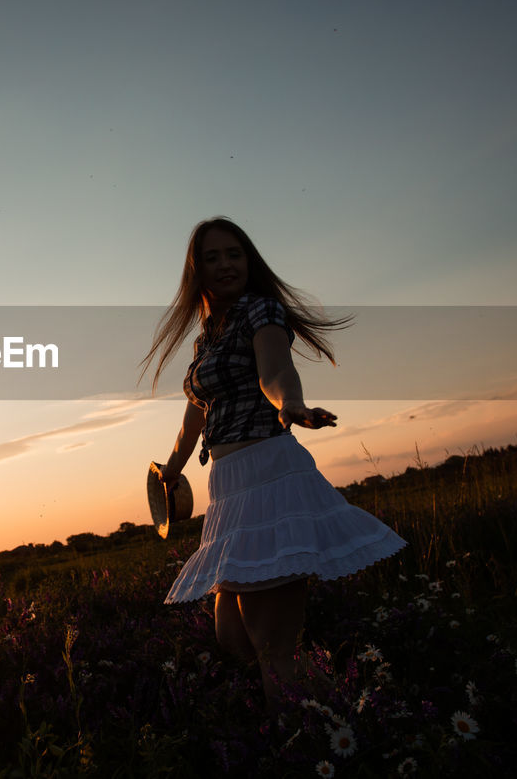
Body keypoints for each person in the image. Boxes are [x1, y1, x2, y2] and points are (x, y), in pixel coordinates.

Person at [142, 217, 406, 707]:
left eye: (234, 254)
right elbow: (194, 417)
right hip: (228, 489)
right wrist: (172, 468)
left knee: (271, 648)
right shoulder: (207, 339)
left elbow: (276, 371)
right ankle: (341, 710)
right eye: (212, 258)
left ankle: (314, 739)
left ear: (250, 260)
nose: (225, 265)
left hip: (269, 474)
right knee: (234, 639)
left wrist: (292, 405)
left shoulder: (262, 311)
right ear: (196, 272)